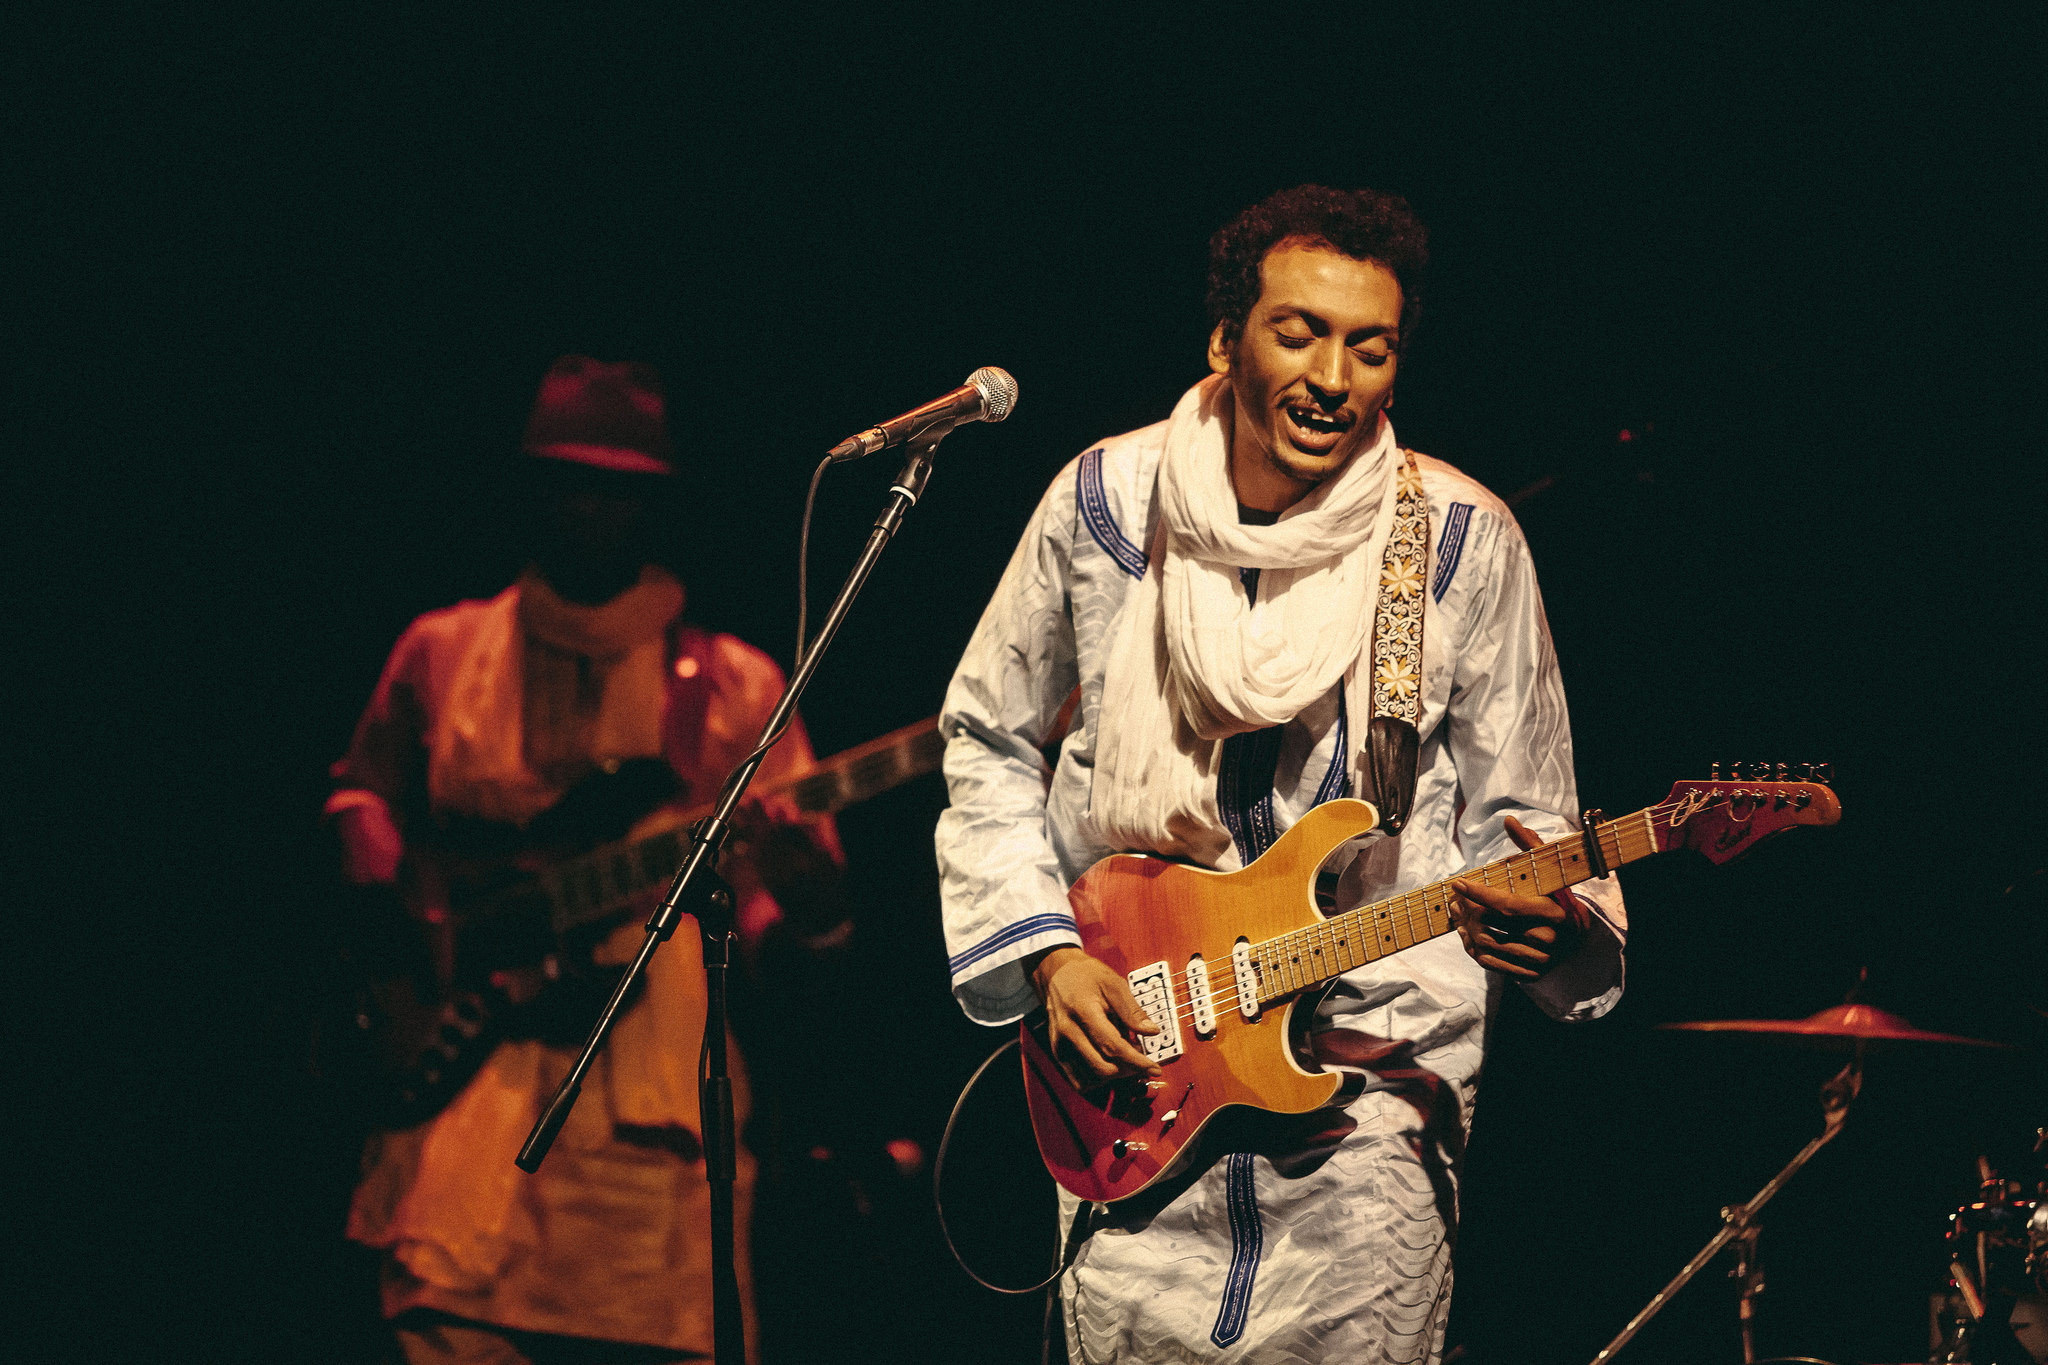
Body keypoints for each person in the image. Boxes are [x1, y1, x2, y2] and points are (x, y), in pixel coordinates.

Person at [934, 186, 1628, 1364]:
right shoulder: (1104, 504)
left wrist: (1545, 924)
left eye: (1369, 346)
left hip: (1370, 1111)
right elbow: (988, 736)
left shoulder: (1457, 542)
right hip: (1137, 1079)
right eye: (1296, 331)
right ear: (1225, 340)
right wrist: (1047, 956)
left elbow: (1527, 816)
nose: (1331, 375)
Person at [328, 356, 844, 1364]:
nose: (588, 510)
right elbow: (358, 796)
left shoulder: (734, 686)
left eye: (614, 489)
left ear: (651, 505)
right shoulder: (440, 651)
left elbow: (799, 934)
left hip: (650, 1151)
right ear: (531, 490)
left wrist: (810, 896)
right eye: (569, 481)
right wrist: (397, 901)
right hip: (464, 1116)